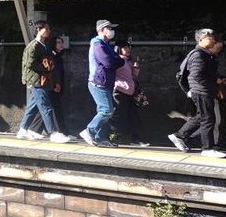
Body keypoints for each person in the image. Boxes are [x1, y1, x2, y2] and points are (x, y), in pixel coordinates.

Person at [169, 29, 225, 158]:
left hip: (202, 91)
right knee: (208, 119)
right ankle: (207, 148)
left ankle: (179, 135)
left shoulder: (205, 54)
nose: (213, 39)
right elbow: (196, 75)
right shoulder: (198, 54)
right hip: (201, 91)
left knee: (202, 117)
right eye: (209, 37)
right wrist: (211, 84)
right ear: (201, 40)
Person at [16, 21, 72, 143]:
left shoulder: (43, 45)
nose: (48, 31)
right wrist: (45, 68)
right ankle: (53, 133)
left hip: (42, 80)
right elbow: (30, 64)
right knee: (46, 107)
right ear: (38, 29)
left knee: (32, 107)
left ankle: (22, 129)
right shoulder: (33, 46)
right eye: (46, 28)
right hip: (36, 81)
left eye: (48, 28)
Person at [80, 19, 124, 147]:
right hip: (98, 82)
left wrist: (117, 60)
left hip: (106, 82)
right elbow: (110, 63)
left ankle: (100, 138)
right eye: (109, 28)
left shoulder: (106, 45)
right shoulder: (98, 45)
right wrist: (117, 60)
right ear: (101, 30)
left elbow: (117, 61)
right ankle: (89, 131)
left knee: (103, 111)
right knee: (107, 110)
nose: (112, 31)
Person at [113, 43, 146, 146]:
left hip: (129, 92)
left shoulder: (128, 61)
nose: (127, 49)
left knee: (133, 115)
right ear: (119, 49)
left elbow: (132, 77)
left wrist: (135, 69)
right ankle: (114, 137)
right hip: (119, 90)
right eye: (124, 48)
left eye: (128, 47)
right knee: (120, 115)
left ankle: (135, 139)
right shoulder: (117, 60)